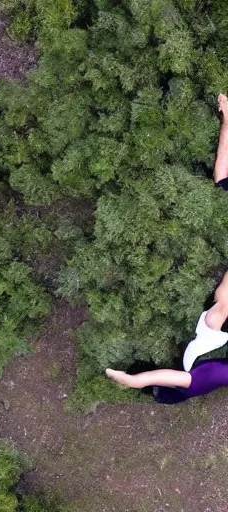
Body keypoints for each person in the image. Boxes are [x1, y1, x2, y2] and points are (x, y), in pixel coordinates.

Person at [104, 93, 228, 403]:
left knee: (219, 308)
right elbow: (222, 177)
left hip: (204, 355)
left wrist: (134, 381)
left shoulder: (199, 369)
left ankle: (139, 383)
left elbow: (221, 177)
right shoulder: (203, 364)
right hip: (206, 353)